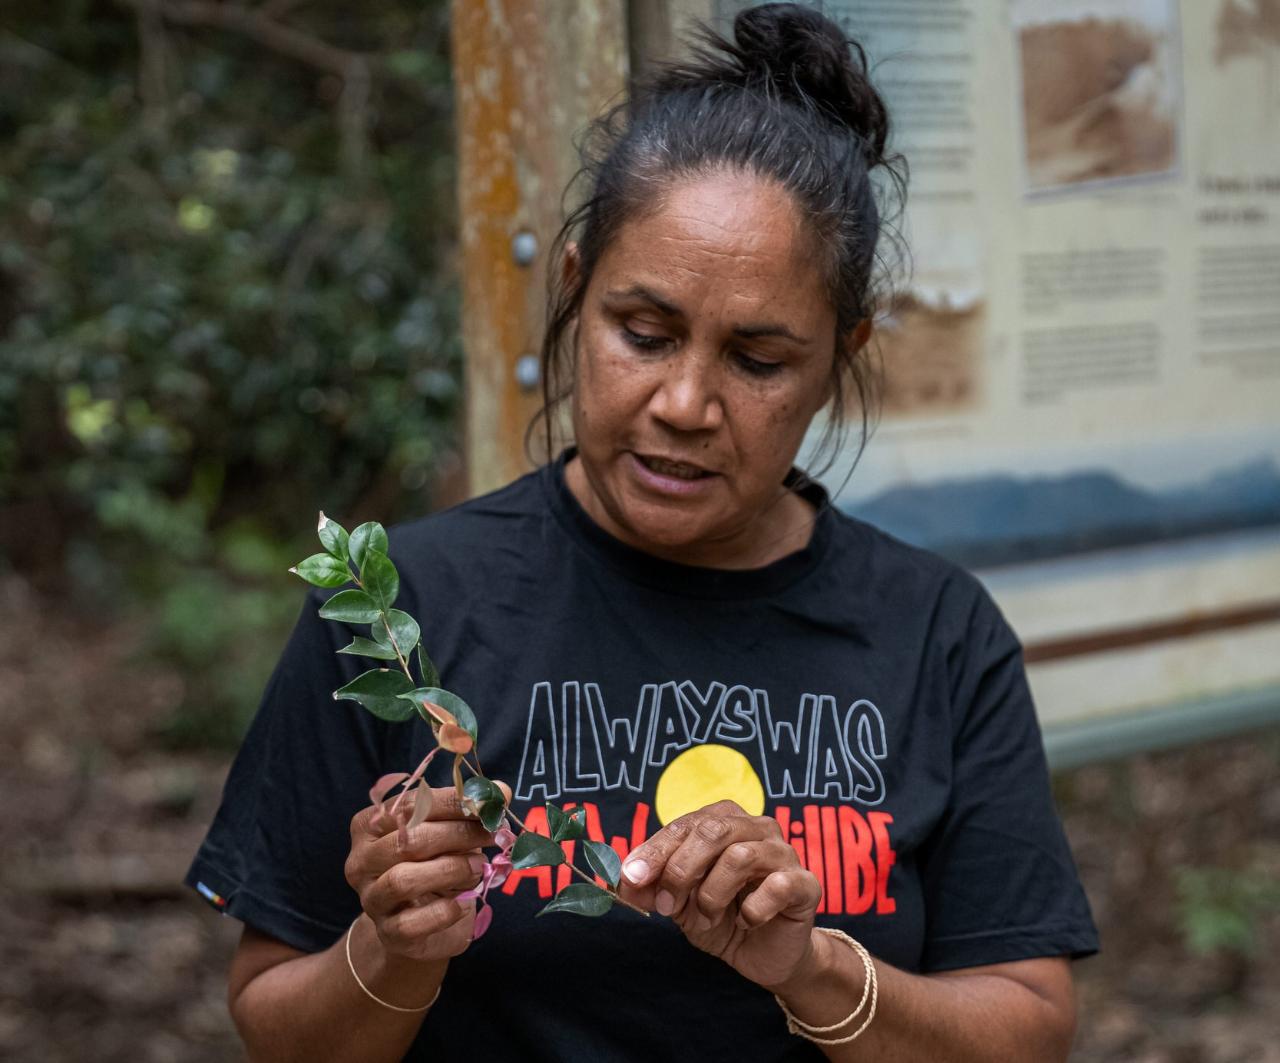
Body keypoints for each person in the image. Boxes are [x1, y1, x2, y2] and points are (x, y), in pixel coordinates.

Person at [186, 5, 1098, 1060]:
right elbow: (273, 1022)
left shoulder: (934, 631)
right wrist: (395, 950)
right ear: (576, 291)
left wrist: (809, 968)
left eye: (757, 360)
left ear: (838, 357)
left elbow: (1026, 1028)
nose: (684, 401)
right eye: (644, 332)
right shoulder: (402, 612)